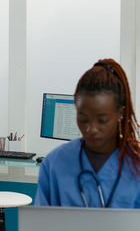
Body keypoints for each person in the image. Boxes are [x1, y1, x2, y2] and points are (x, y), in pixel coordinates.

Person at [35, 58, 140, 207]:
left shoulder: (136, 165)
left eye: (102, 120)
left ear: (120, 113)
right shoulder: (54, 164)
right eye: (83, 119)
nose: (91, 129)